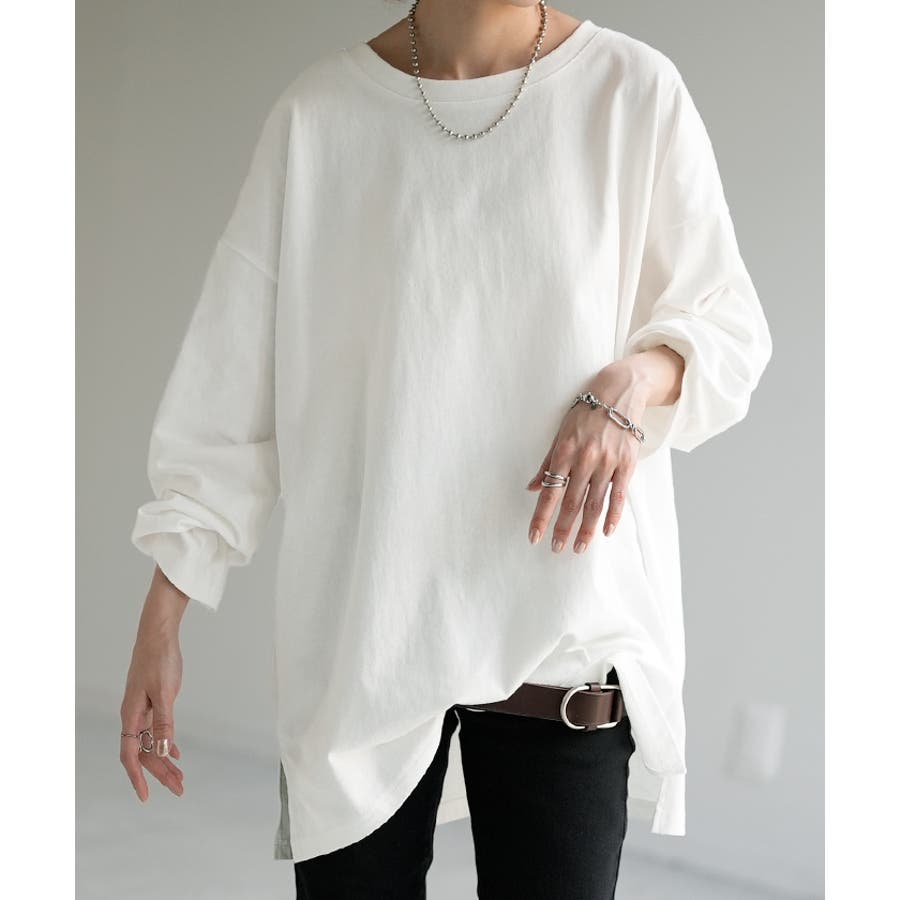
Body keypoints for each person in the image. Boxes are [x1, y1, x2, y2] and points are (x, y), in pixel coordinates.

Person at [119, 1, 773, 897]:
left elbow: (728, 327)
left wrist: (634, 381)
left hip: (565, 630)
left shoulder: (630, 92)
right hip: (366, 638)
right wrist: (162, 618)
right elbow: (228, 391)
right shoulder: (320, 117)